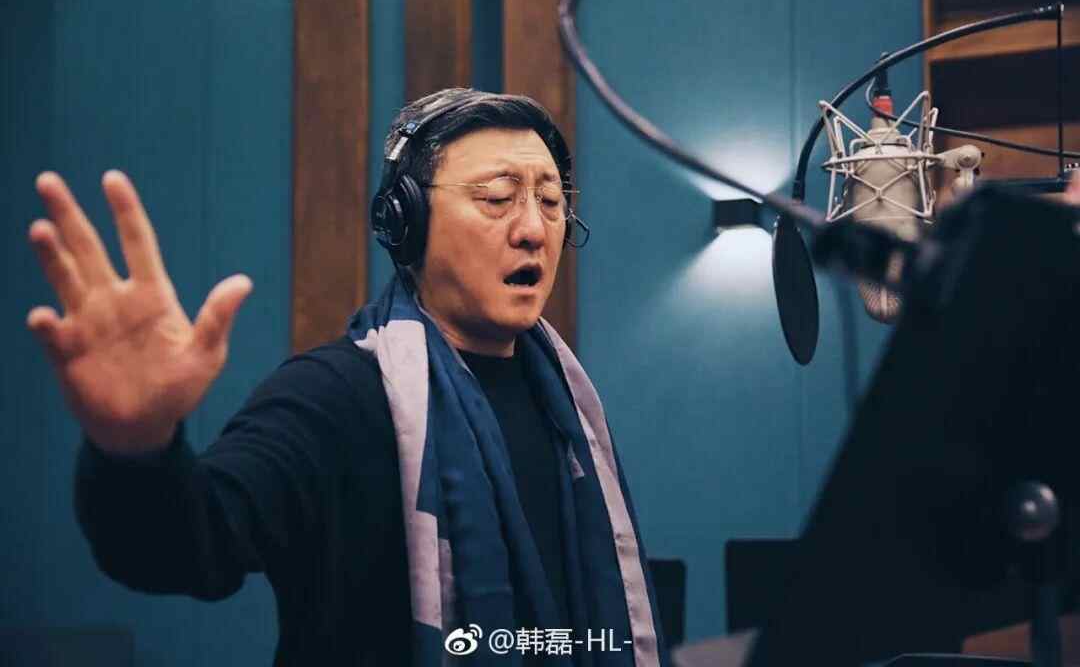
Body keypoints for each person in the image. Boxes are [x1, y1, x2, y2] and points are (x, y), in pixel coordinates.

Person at [26, 88, 669, 666]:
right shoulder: (331, 396)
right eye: (498, 199)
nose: (533, 229)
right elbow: (187, 547)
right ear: (407, 221)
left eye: (552, 202)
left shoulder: (569, 408)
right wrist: (135, 447)